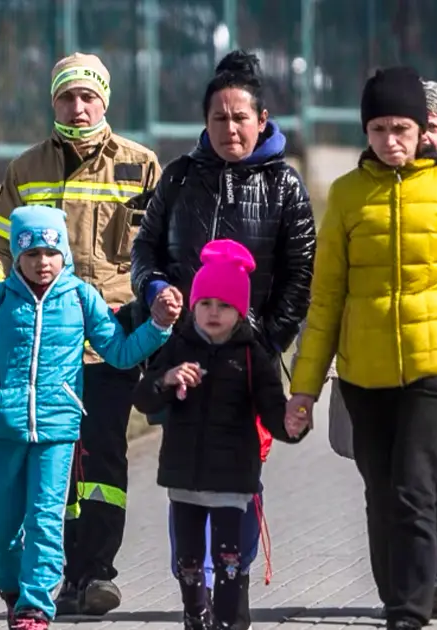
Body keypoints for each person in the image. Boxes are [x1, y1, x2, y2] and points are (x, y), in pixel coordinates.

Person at [286, 66, 437, 630]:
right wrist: (304, 389)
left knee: (413, 484)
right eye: (380, 127)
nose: (392, 139)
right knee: (380, 490)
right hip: (364, 374)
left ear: (421, 130)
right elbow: (326, 299)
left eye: (402, 127)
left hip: (436, 370)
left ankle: (408, 613)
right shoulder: (345, 195)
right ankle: (398, 595)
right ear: (367, 130)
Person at [0, 52, 164, 616]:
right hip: (39, 350)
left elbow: (158, 253)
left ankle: (95, 571)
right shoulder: (25, 170)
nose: (78, 108)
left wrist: (155, 312)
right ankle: (58, 574)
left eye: (88, 96)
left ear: (105, 100)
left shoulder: (141, 165)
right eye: (67, 97)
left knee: (102, 459)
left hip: (107, 338)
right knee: (53, 469)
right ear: (53, 101)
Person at [131, 49, 317, 629]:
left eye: (241, 118)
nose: (230, 129)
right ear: (205, 122)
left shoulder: (285, 185)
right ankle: (197, 591)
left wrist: (265, 339)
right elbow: (146, 250)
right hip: (184, 348)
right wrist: (156, 287)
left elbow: (298, 276)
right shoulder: (182, 176)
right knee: (187, 468)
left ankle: (232, 587)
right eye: (219, 118)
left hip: (248, 359)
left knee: (239, 469)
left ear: (262, 119)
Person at [0, 205, 180, 630]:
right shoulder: (1, 300)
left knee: (44, 519)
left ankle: (34, 607)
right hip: (5, 429)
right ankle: (12, 589)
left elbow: (118, 351)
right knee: (1, 529)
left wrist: (157, 326)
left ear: (65, 254)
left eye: (51, 253)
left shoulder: (81, 297)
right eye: (31, 255)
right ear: (17, 257)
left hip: (59, 430)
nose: (43, 263)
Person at [134, 240, 309, 630]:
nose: (213, 313)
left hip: (232, 480)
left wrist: (292, 426)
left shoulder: (252, 355)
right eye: (205, 303)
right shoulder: (178, 345)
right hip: (184, 480)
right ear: (193, 305)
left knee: (230, 562)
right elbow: (143, 397)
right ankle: (196, 616)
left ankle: (229, 620)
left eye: (224, 306)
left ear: (240, 310)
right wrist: (165, 379)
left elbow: (272, 410)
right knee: (190, 563)